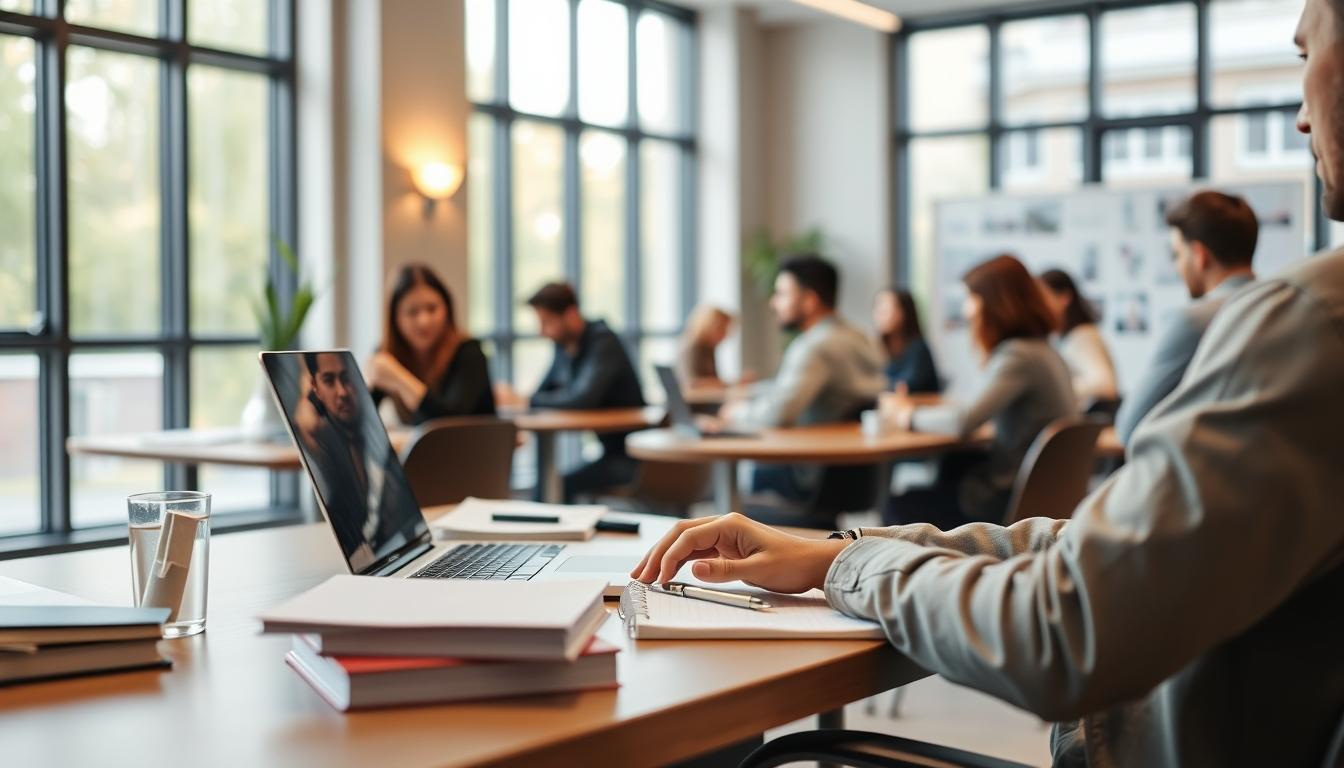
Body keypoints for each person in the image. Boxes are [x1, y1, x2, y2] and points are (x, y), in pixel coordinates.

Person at [631, 2, 1344, 762]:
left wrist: (847, 561)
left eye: (1306, 55)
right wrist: (841, 549)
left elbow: (1065, 631)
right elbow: (1106, 553)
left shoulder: (1312, 325)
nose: (1300, 114)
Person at [880, 255, 1075, 529]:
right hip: (1038, 495)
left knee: (900, 506)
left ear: (995, 302)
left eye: (971, 298)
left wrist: (906, 415)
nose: (967, 310)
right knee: (953, 466)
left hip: (1007, 501)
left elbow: (963, 421)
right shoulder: (1045, 351)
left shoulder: (1017, 356)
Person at [717, 254, 886, 501]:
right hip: (858, 479)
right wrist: (751, 392)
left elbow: (780, 413)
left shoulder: (815, 346)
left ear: (809, 300)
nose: (774, 303)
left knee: (741, 477)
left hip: (811, 477)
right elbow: (788, 389)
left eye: (782, 293)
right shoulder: (858, 337)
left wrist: (735, 412)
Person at [1114, 190, 1259, 443]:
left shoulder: (1194, 322)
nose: (1177, 267)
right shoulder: (1282, 305)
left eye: (1177, 255)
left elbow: (1130, 426)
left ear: (1199, 255)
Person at [517, 282, 646, 502]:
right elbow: (544, 391)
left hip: (634, 459)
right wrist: (527, 399)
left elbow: (582, 399)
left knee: (557, 486)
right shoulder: (564, 346)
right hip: (610, 454)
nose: (542, 332)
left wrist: (528, 400)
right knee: (550, 485)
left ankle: (552, 534)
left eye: (547, 322)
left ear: (571, 314)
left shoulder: (603, 341)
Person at [297, 352, 415, 573]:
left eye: (347, 378)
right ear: (315, 388)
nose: (342, 392)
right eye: (329, 381)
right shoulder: (321, 441)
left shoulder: (371, 435)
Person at [366, 264, 495, 426]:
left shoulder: (468, 352)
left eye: (432, 309)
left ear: (447, 309)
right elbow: (361, 423)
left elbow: (451, 422)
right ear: (395, 319)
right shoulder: (387, 355)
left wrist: (400, 379)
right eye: (412, 312)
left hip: (472, 450)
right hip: (419, 451)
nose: (424, 321)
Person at [1038, 269, 1118, 407]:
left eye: (1043, 298)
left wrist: (1056, 389)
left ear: (1065, 298)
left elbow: (1105, 383)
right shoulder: (1062, 338)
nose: (1038, 306)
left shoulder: (1082, 336)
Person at [872, 287, 941, 394]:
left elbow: (907, 386)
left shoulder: (918, 348)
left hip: (920, 407)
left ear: (903, 313)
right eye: (877, 308)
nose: (879, 314)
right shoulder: (877, 347)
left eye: (886, 309)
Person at [677, 305, 734, 388]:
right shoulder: (692, 349)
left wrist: (732, 384)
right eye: (722, 329)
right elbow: (692, 384)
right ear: (710, 327)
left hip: (710, 399)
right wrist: (731, 384)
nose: (725, 334)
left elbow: (714, 379)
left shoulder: (709, 349)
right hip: (695, 400)